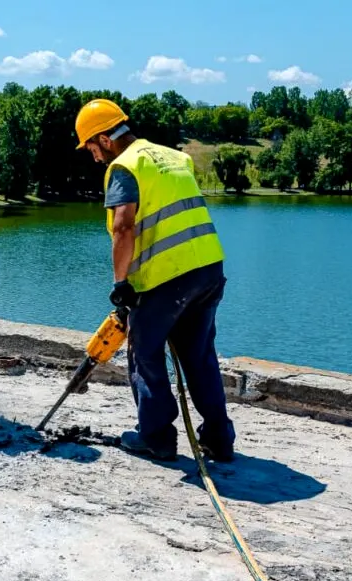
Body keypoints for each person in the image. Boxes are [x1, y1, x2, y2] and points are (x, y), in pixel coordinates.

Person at [74, 98, 236, 462]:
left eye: (91, 147)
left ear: (105, 139)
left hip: (168, 277)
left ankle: (157, 437)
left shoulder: (124, 167)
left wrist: (120, 285)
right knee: (199, 356)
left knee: (145, 351)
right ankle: (219, 439)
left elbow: (124, 227)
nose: (93, 157)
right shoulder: (175, 158)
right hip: (208, 269)